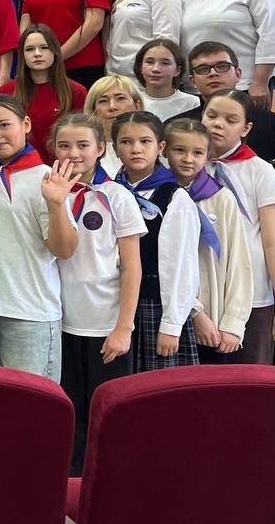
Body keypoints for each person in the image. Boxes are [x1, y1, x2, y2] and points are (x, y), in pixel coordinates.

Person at [51, 114, 144, 473]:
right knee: (70, 413)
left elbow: (132, 268)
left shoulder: (117, 196)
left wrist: (124, 328)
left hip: (106, 326)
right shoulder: (51, 193)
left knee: (108, 412)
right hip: (62, 323)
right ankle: (73, 486)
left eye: (83, 145)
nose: (73, 153)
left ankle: (111, 480)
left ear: (101, 149)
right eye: (64, 145)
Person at [0, 94, 78, 381]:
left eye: (4, 125)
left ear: (25, 124)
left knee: (33, 402)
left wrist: (55, 205)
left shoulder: (46, 178)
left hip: (29, 312)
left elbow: (64, 249)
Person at [110, 111, 200, 371]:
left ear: (160, 147)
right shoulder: (110, 191)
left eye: (145, 141)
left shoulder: (174, 197)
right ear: (114, 149)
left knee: (157, 387)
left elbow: (181, 265)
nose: (136, 149)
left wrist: (172, 324)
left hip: (156, 305)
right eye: (126, 142)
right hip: (114, 302)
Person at [166, 117, 251, 367]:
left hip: (215, 323)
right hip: (168, 319)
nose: (188, 159)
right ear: (164, 149)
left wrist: (233, 323)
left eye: (197, 152)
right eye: (179, 150)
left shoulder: (221, 198)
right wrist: (194, 312)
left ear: (208, 155)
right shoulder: (157, 197)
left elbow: (239, 262)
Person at [201, 88, 275, 365]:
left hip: (252, 287)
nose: (218, 124)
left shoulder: (260, 170)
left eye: (230, 120)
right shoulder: (187, 164)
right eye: (211, 115)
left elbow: (271, 240)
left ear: (246, 128)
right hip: (204, 284)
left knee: (251, 374)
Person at [0, 25, 87, 166]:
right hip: (20, 168)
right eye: (29, 49)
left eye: (44, 47)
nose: (37, 54)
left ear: (55, 51)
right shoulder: (6, 91)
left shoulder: (76, 91)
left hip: (64, 168)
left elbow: (82, 137)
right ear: (22, 54)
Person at [170, 41, 275, 159]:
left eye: (222, 66)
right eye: (203, 69)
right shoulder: (175, 127)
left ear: (238, 74)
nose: (213, 73)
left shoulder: (271, 124)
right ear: (193, 80)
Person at [85, 75, 144, 179]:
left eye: (120, 98)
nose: (112, 107)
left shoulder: (153, 144)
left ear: (137, 106)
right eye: (103, 101)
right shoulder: (85, 151)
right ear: (93, 110)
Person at [134, 38, 199, 121]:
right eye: (150, 62)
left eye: (165, 63)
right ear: (141, 68)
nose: (155, 69)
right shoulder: (132, 101)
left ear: (177, 70)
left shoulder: (193, 103)